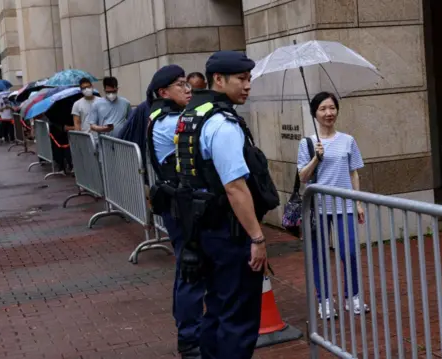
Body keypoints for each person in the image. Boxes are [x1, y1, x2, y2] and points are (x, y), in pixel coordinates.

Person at [169, 51, 279, 359]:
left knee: (215, 310)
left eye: (249, 79)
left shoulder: (190, 115)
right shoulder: (223, 123)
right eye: (241, 79)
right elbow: (235, 187)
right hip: (230, 235)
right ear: (219, 79)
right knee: (238, 319)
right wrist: (257, 238)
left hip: (203, 230)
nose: (247, 86)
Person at [145, 65, 202, 359]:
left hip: (178, 206)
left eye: (187, 83)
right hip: (183, 208)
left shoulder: (159, 115)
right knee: (191, 269)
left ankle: (189, 330)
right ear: (163, 92)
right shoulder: (171, 121)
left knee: (186, 269)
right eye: (181, 85)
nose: (188, 88)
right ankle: (190, 339)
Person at [297, 91, 369, 319]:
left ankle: (352, 296)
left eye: (332, 108)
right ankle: (325, 300)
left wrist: (357, 202)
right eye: (323, 109)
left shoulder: (348, 140)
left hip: (344, 205)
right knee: (319, 255)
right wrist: (316, 158)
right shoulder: (307, 143)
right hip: (318, 208)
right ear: (315, 113)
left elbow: (353, 173)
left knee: (349, 252)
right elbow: (303, 177)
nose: (328, 113)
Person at [88, 76, 131, 143]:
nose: (111, 94)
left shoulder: (126, 103)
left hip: (122, 142)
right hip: (105, 142)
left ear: (117, 89)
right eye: (108, 92)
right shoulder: (96, 104)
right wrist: (103, 129)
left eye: (113, 91)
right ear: (104, 90)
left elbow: (130, 121)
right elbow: (92, 126)